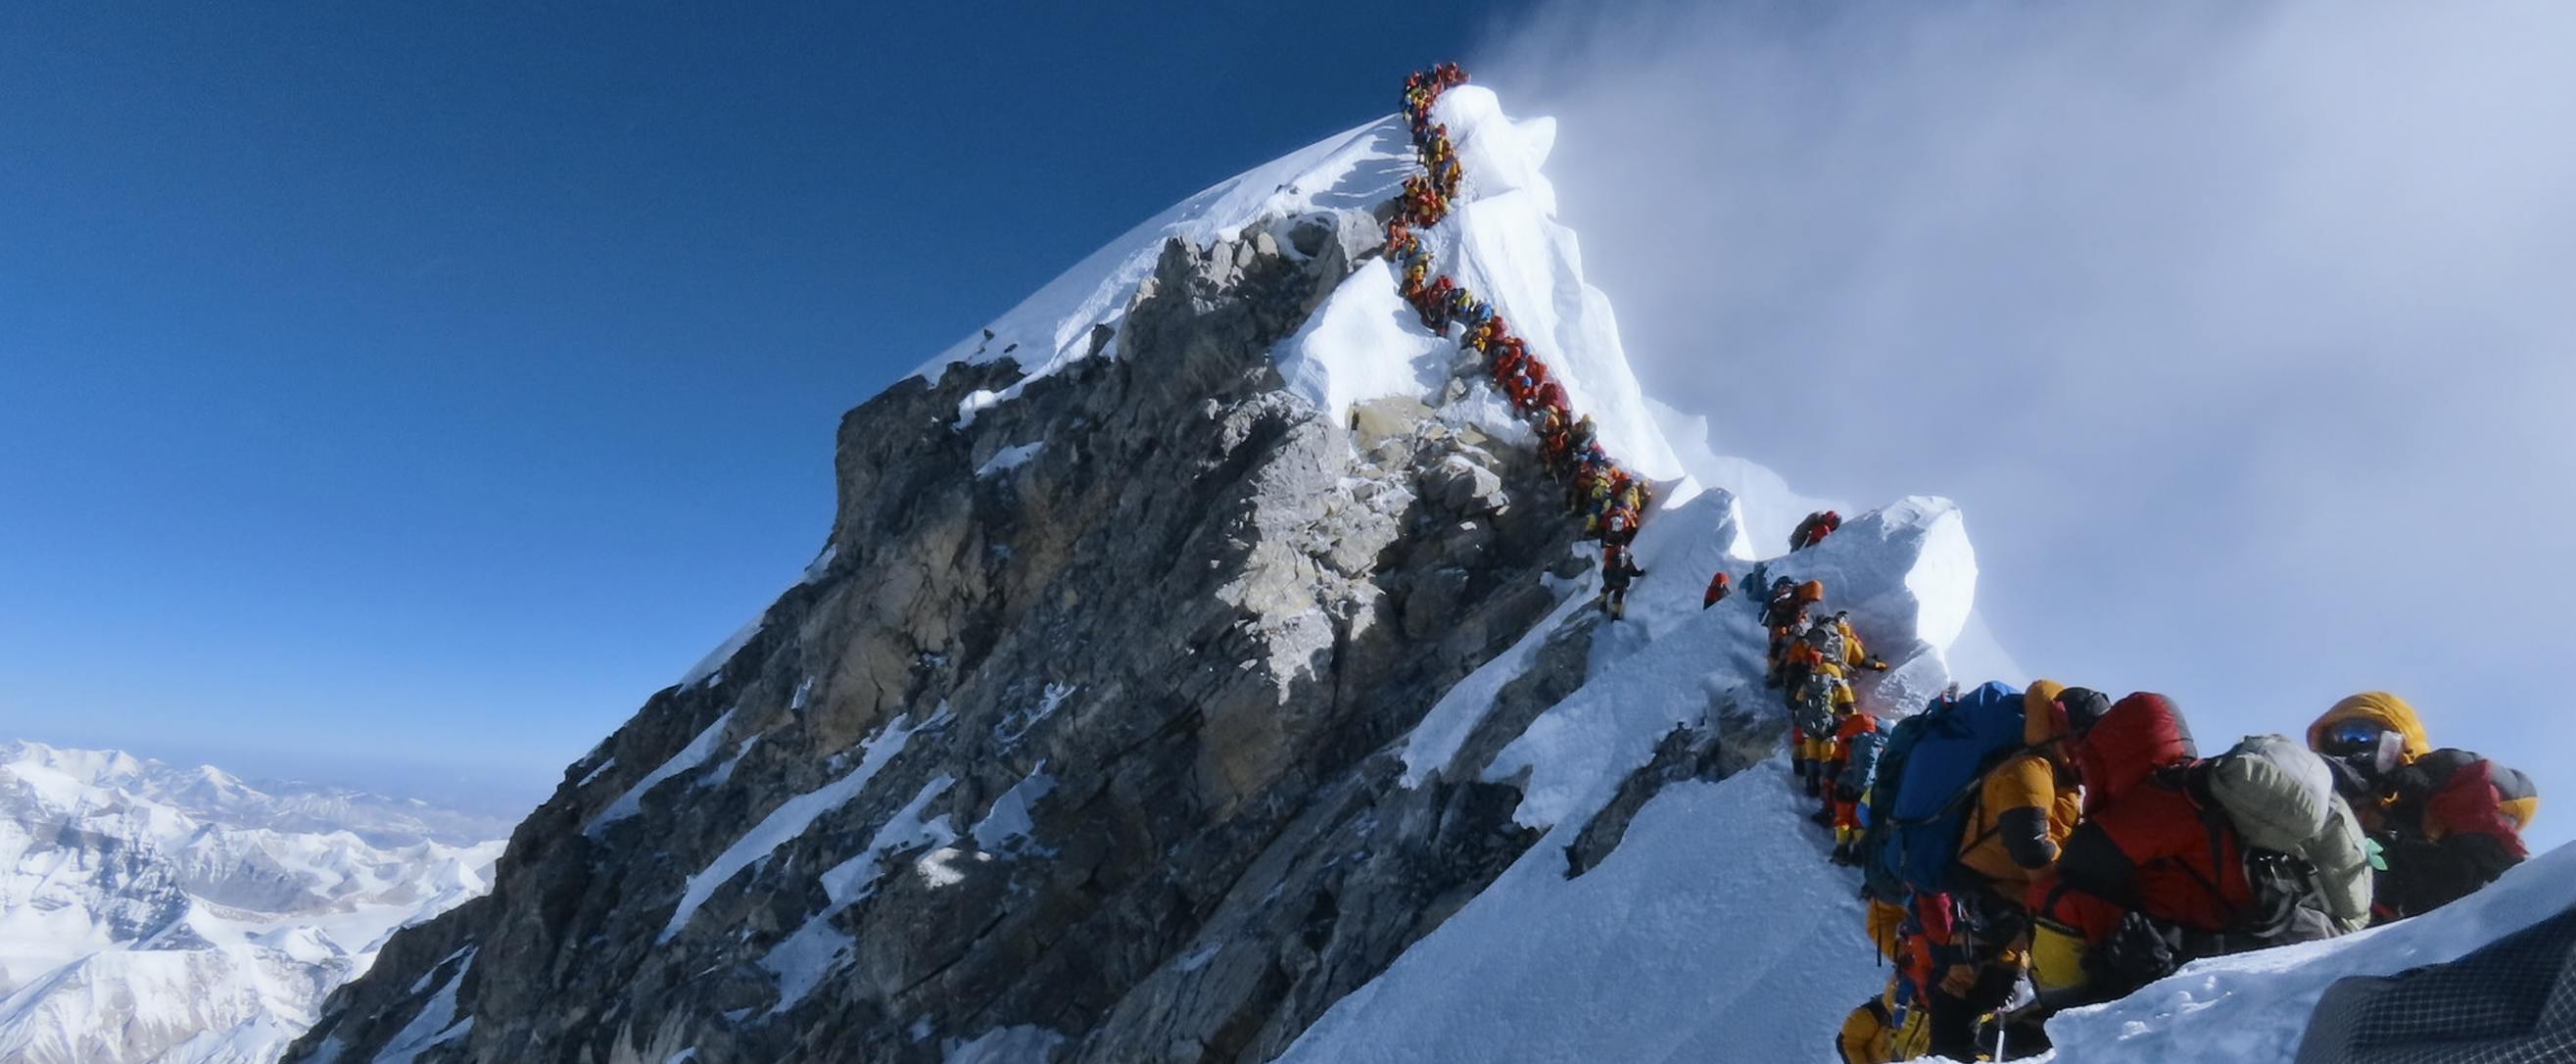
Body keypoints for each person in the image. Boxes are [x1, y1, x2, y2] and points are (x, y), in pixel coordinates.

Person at [2026, 693, 2355, 1015]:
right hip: (2256, 937)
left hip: (2214, 953)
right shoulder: (2201, 785)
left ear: (2104, 751)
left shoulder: (2163, 800)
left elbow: (2081, 862)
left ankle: (2055, 1020)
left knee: (2056, 897)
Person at [2307, 692, 2539, 919]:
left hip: (2472, 930)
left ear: (2400, 742)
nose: (2348, 749)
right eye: (2333, 742)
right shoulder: (2325, 825)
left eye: (2359, 734)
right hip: (2369, 946)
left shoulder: (2438, 808)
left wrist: (2444, 770)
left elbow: (2518, 796)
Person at [1599, 542, 1646, 619]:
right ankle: (1615, 615)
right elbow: (1633, 572)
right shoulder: (1627, 561)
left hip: (1610, 580)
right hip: (1622, 583)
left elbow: (1604, 572)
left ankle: (1603, 604)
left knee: (1605, 589)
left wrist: (1606, 581)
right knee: (1618, 597)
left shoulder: (1610, 561)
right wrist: (1641, 573)